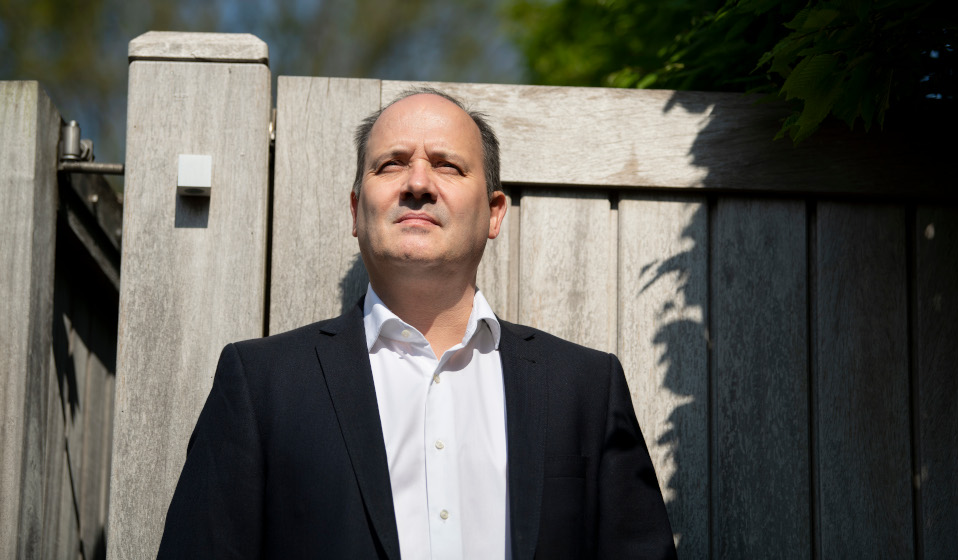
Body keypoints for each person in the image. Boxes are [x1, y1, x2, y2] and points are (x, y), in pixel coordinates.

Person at [158, 88, 675, 559]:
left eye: (448, 165)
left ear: (495, 212)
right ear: (356, 210)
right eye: (392, 164)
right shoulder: (261, 385)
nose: (419, 184)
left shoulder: (585, 388)